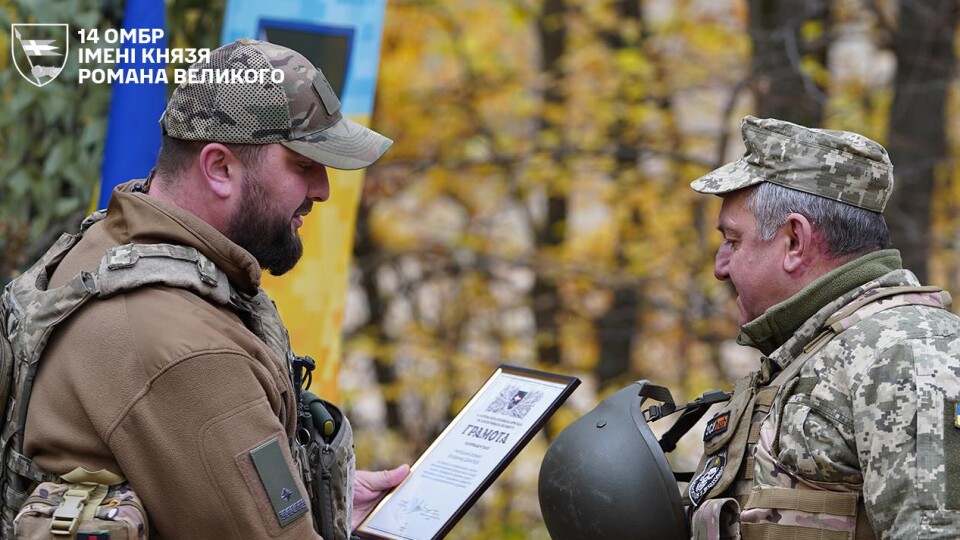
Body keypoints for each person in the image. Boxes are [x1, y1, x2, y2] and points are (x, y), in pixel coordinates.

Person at [19, 38, 407, 538]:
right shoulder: (188, 351)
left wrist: (315, 494)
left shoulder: (107, 244)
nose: (322, 191)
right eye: (303, 164)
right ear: (219, 167)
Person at [685, 116, 960, 538]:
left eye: (733, 241)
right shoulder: (820, 353)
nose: (721, 267)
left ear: (795, 241)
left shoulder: (908, 354)